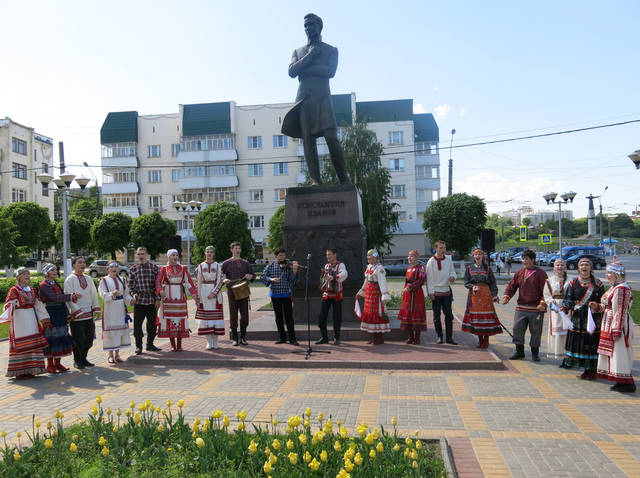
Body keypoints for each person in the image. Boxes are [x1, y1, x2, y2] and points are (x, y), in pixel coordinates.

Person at [281, 13, 349, 184]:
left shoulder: (331, 50)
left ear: (320, 26)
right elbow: (291, 72)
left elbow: (330, 71)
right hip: (304, 99)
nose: (308, 28)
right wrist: (310, 57)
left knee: (331, 137)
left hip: (323, 99)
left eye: (311, 25)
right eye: (305, 26)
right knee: (308, 140)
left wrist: (306, 69)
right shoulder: (298, 52)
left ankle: (344, 178)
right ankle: (315, 180)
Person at [1, 267, 50, 378]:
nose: (27, 275)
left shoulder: (32, 290)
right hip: (20, 322)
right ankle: (20, 371)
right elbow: (7, 306)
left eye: (28, 273)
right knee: (22, 345)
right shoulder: (14, 290)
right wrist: (14, 304)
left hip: (32, 321)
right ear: (18, 277)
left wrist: (45, 319)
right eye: (24, 274)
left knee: (33, 344)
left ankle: (33, 369)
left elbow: (38, 305)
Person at [595, 261, 636, 393]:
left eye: (610, 273)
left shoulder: (622, 288)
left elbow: (620, 310)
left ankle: (627, 382)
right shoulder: (614, 287)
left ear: (618, 274)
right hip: (610, 322)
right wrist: (597, 307)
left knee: (620, 353)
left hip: (619, 325)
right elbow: (608, 305)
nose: (607, 275)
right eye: (607, 272)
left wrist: (617, 328)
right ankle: (619, 380)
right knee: (614, 354)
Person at [561, 257, 605, 380]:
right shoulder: (573, 283)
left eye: (587, 265)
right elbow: (568, 299)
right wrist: (564, 307)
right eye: (582, 265)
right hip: (578, 319)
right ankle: (586, 370)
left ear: (591, 268)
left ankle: (592, 371)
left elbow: (603, 301)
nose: (584, 267)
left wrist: (597, 306)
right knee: (579, 343)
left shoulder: (598, 283)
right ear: (578, 268)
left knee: (591, 343)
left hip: (592, 319)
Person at [502, 250, 548, 361]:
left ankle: (535, 353)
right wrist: (507, 296)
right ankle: (519, 351)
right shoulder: (519, 272)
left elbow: (546, 291)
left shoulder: (541, 274)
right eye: (523, 259)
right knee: (517, 329)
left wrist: (543, 303)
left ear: (533, 260)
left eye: (527, 259)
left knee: (536, 331)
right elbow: (512, 286)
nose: (524, 261)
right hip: (521, 307)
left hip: (536, 308)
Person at [156, 249, 198, 351]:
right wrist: (160, 290)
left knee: (180, 319)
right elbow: (158, 282)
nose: (175, 257)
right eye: (173, 255)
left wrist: (194, 294)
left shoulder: (183, 269)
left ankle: (179, 344)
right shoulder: (164, 269)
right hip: (168, 298)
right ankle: (172, 344)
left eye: (176, 255)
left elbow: (188, 282)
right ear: (169, 257)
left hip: (180, 298)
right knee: (169, 319)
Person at [65, 256, 101, 369]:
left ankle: (84, 358)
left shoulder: (88, 278)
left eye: (84, 262)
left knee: (89, 339)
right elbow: (68, 297)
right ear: (74, 265)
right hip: (77, 316)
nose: (82, 264)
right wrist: (77, 311)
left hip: (88, 314)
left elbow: (94, 294)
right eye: (79, 262)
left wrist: (96, 307)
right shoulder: (69, 279)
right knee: (78, 339)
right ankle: (77, 360)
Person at [39, 264, 76, 373]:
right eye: (52, 270)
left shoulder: (54, 283)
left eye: (56, 269)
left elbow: (61, 299)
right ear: (46, 272)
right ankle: (50, 365)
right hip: (51, 313)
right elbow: (54, 297)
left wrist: (67, 314)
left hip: (60, 312)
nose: (55, 271)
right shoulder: (44, 285)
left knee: (61, 338)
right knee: (52, 339)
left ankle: (58, 363)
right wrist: (70, 296)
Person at [461, 249, 502, 348]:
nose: (478, 256)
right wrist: (472, 286)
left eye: (480, 254)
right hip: (474, 295)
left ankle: (486, 340)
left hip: (486, 295)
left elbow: (493, 283)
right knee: (477, 318)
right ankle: (480, 340)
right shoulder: (469, 268)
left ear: (483, 256)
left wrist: (494, 295)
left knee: (486, 318)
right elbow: (466, 282)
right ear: (473, 256)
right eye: (476, 254)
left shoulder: (488, 269)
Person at [260, 248, 299, 345]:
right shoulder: (271, 266)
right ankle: (282, 337)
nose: (283, 257)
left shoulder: (289, 266)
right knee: (278, 317)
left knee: (289, 317)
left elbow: (293, 281)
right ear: (276, 256)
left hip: (286, 294)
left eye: (284, 255)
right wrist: (271, 279)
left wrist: (294, 271)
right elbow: (262, 276)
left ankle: (292, 338)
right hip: (275, 295)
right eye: (280, 255)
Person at [128, 246, 161, 355]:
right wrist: (133, 294)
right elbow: (131, 286)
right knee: (137, 325)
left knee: (152, 325)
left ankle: (150, 345)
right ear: (137, 255)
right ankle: (138, 346)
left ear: (147, 255)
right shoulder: (133, 269)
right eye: (139, 254)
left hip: (151, 300)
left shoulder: (154, 268)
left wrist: (157, 298)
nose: (141, 256)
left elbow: (158, 285)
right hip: (139, 301)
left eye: (143, 254)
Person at [221, 242, 256, 346]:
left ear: (240, 250)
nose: (237, 250)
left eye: (239, 248)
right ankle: (235, 338)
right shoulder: (226, 263)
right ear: (231, 250)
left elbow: (253, 275)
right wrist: (225, 279)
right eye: (235, 248)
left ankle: (243, 337)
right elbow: (221, 276)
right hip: (232, 291)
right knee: (233, 315)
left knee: (245, 315)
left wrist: (251, 276)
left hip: (244, 291)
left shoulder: (246, 263)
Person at [98, 263, 132, 364]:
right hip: (110, 309)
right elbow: (102, 294)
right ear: (108, 269)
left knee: (119, 331)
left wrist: (131, 301)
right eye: (112, 267)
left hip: (120, 309)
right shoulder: (104, 280)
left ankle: (117, 355)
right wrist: (112, 293)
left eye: (116, 267)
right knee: (111, 331)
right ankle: (110, 355)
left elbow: (126, 295)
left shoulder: (122, 280)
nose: (114, 268)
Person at [356, 250, 391, 345]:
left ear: (375, 257)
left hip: (376, 294)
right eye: (367, 255)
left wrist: (384, 296)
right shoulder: (370, 267)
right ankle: (373, 337)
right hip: (370, 294)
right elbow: (366, 281)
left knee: (377, 313)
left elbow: (383, 282)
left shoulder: (379, 268)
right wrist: (361, 291)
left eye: (369, 255)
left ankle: (379, 338)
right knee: (371, 314)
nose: (367, 257)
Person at [426, 241, 457, 345]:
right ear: (436, 249)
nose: (443, 250)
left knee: (449, 315)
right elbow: (429, 278)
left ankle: (449, 337)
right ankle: (439, 336)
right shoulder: (431, 261)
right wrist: (430, 292)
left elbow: (453, 271)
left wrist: (453, 277)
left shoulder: (448, 259)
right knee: (436, 316)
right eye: (440, 248)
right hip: (436, 292)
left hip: (447, 291)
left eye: (444, 248)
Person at [195, 246, 226, 350]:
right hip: (204, 293)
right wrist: (198, 297)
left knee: (215, 320)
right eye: (207, 252)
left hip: (215, 295)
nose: (209, 254)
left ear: (214, 254)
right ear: (205, 253)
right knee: (206, 320)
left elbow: (220, 281)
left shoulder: (218, 266)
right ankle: (209, 342)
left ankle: (215, 341)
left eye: (211, 252)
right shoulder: (200, 266)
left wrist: (214, 293)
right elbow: (198, 282)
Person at [316, 248, 348, 345]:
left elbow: (344, 274)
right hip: (326, 295)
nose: (328, 256)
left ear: (335, 255)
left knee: (336, 318)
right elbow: (323, 280)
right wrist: (322, 278)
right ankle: (324, 337)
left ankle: (336, 338)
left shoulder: (340, 265)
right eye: (327, 254)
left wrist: (334, 277)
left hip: (337, 295)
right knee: (322, 317)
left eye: (329, 254)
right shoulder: (326, 266)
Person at [397, 249, 427, 344]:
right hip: (408, 294)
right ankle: (411, 337)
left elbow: (421, 280)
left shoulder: (421, 268)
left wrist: (410, 287)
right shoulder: (408, 268)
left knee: (416, 313)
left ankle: (417, 338)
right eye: (409, 256)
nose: (409, 258)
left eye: (412, 256)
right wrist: (404, 289)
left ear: (417, 257)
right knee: (407, 314)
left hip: (416, 293)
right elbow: (406, 281)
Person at [544, 259, 570, 362]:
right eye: (557, 265)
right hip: (556, 310)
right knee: (557, 333)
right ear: (554, 267)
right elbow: (546, 295)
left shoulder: (571, 280)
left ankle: (567, 356)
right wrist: (551, 301)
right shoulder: (549, 280)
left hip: (568, 308)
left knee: (567, 332)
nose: (560, 267)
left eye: (562, 265)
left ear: (565, 267)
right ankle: (559, 355)